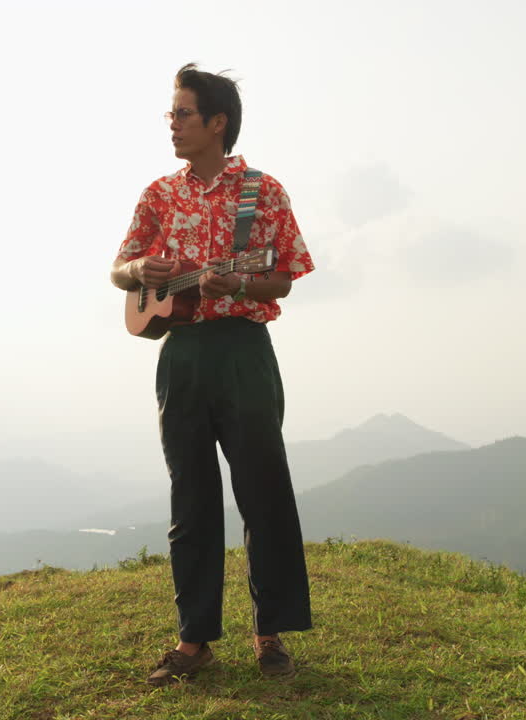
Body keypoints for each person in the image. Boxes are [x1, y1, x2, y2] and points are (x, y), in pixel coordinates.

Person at [109, 63, 315, 686]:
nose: (171, 124)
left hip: (243, 350)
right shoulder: (158, 195)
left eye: (182, 113)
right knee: (190, 497)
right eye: (171, 113)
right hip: (182, 354)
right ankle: (193, 639)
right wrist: (143, 269)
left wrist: (240, 281)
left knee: (263, 492)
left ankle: (270, 633)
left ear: (217, 123)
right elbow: (118, 270)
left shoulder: (264, 192)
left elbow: (283, 276)